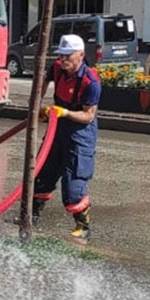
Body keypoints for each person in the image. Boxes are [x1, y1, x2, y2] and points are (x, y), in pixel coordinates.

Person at [34, 34, 101, 243]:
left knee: (74, 181)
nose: (63, 61)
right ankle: (32, 216)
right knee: (42, 171)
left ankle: (83, 226)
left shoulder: (90, 82)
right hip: (58, 126)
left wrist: (64, 113)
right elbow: (43, 80)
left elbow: (88, 115)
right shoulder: (57, 69)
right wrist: (37, 107)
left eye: (68, 56)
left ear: (81, 55)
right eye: (61, 56)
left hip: (80, 131)